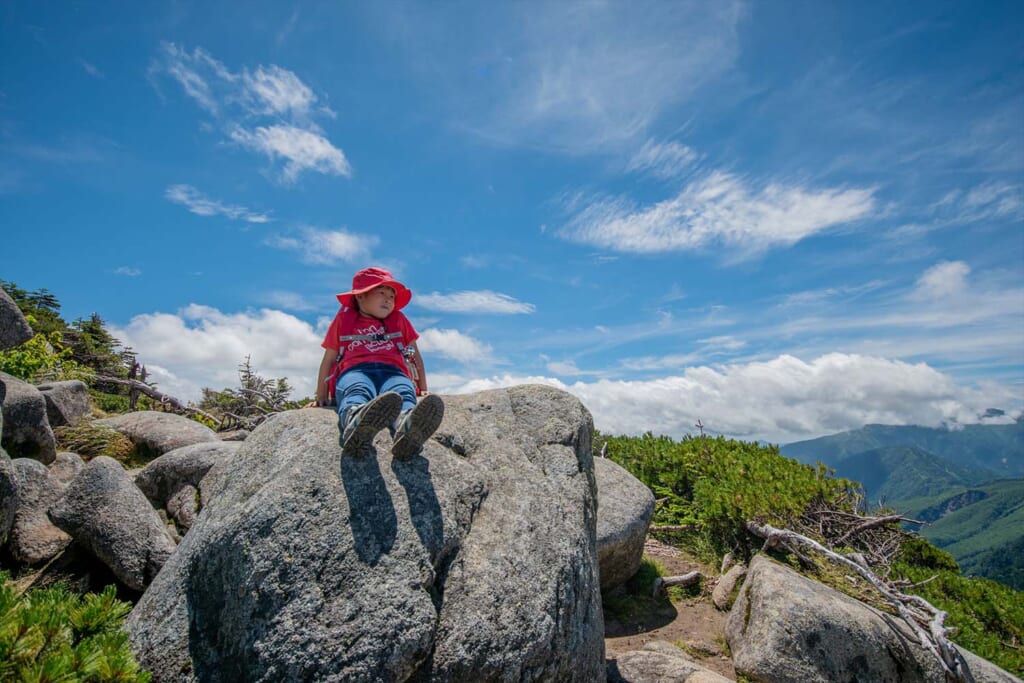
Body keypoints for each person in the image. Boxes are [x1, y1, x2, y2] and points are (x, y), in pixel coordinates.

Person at [313, 267, 444, 458]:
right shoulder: (343, 320)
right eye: (381, 293)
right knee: (356, 388)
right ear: (360, 296)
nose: (388, 299)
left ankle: (407, 424)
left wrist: (422, 387)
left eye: (392, 296)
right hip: (354, 370)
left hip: (394, 372)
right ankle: (355, 419)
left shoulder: (398, 320)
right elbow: (329, 359)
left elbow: (414, 355)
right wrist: (321, 396)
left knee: (402, 390)